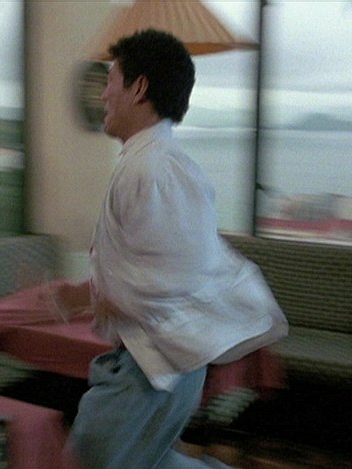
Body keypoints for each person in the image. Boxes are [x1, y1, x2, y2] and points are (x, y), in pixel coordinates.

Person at [50, 29, 288, 468]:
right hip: (159, 366)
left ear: (138, 88)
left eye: (111, 80)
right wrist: (79, 294)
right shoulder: (157, 163)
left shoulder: (152, 169)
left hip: (150, 370)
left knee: (87, 462)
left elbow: (169, 282)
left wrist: (88, 296)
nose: (103, 94)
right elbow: (155, 270)